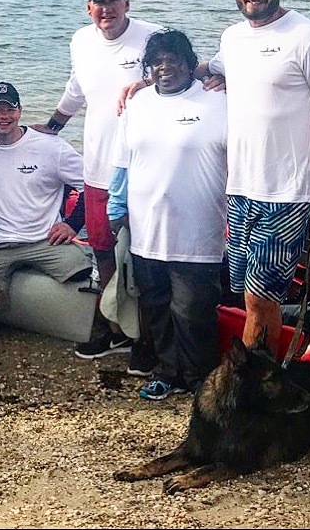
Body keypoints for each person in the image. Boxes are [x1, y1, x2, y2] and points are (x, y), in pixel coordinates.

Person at [196, 0, 310, 355]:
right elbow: (206, 70)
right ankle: (265, 378)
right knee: (251, 294)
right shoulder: (232, 38)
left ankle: (243, 391)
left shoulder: (307, 36)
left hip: (288, 191)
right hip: (241, 188)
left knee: (258, 296)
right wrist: (147, 82)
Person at [36, 0, 162, 371]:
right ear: (88, 7)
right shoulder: (81, 40)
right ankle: (114, 329)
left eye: (114, 0)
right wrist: (52, 126)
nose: (106, 9)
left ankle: (148, 338)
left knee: (145, 258)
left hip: (144, 171)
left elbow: (188, 76)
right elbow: (77, 89)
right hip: (96, 170)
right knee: (104, 252)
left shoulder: (152, 37)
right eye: (99, 2)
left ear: (127, 2)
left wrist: (145, 86)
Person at [108, 30, 227, 400]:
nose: (165, 67)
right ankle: (166, 373)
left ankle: (200, 381)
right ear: (148, 67)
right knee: (156, 306)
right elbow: (122, 163)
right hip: (146, 229)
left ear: (191, 64)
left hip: (198, 232)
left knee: (193, 311)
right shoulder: (138, 104)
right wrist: (116, 206)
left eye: (174, 58)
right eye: (157, 60)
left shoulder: (218, 102)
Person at [0, 81, 94, 309]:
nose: (4, 116)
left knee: (82, 270)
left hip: (42, 240)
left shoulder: (52, 147)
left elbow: (92, 184)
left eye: (10, 109)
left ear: (20, 111)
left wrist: (72, 225)